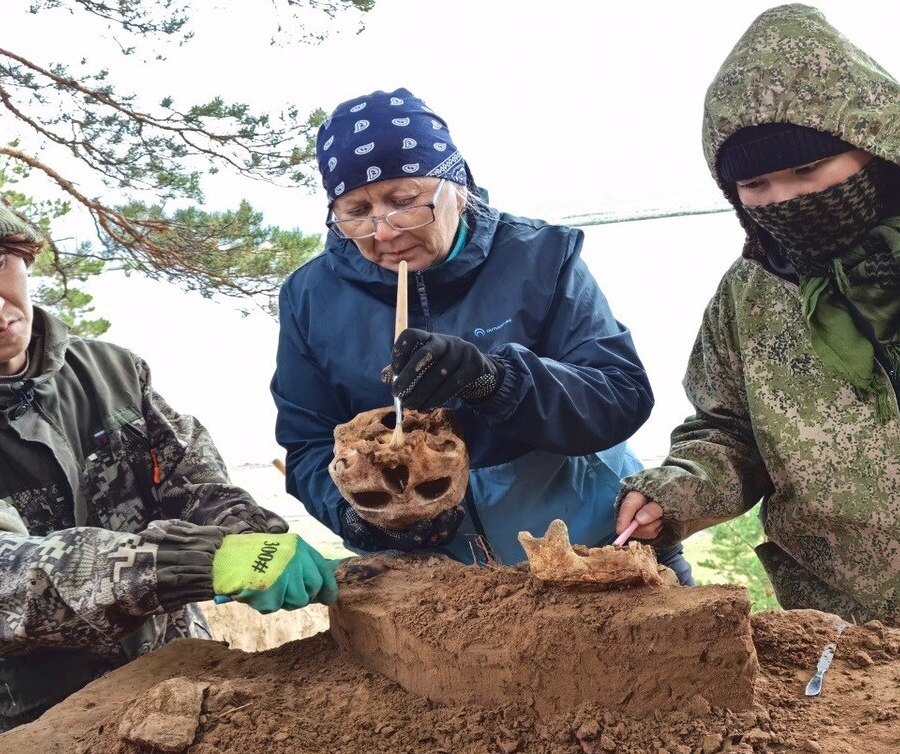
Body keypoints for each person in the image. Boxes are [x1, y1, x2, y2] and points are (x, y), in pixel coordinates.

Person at [616, 4, 900, 640]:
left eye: (809, 171)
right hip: (869, 646)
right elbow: (726, 431)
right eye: (757, 185)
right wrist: (675, 494)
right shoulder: (752, 294)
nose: (786, 199)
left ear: (877, 147)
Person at [0, 162, 337, 754]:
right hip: (18, 733)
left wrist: (257, 542)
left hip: (176, 689)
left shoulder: (114, 371)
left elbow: (197, 488)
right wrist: (196, 562)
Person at [272, 88, 693, 583]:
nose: (382, 232)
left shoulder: (540, 257)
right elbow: (308, 445)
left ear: (458, 185)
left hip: (591, 548)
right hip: (444, 585)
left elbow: (619, 397)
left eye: (404, 201)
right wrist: (364, 519)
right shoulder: (310, 296)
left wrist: (495, 381)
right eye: (356, 211)